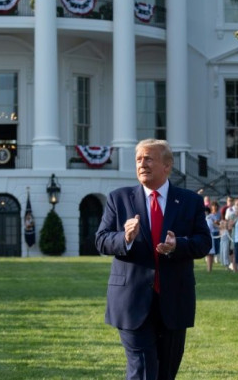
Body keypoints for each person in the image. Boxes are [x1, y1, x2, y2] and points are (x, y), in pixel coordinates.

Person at [94, 139, 211, 380]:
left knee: (166, 373)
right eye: (138, 159)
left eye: (148, 159)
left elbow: (204, 242)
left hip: (174, 301)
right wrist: (124, 238)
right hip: (131, 301)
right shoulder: (119, 198)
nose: (142, 164)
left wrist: (178, 245)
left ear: (167, 166)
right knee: (143, 371)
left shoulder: (190, 201)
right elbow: (101, 240)